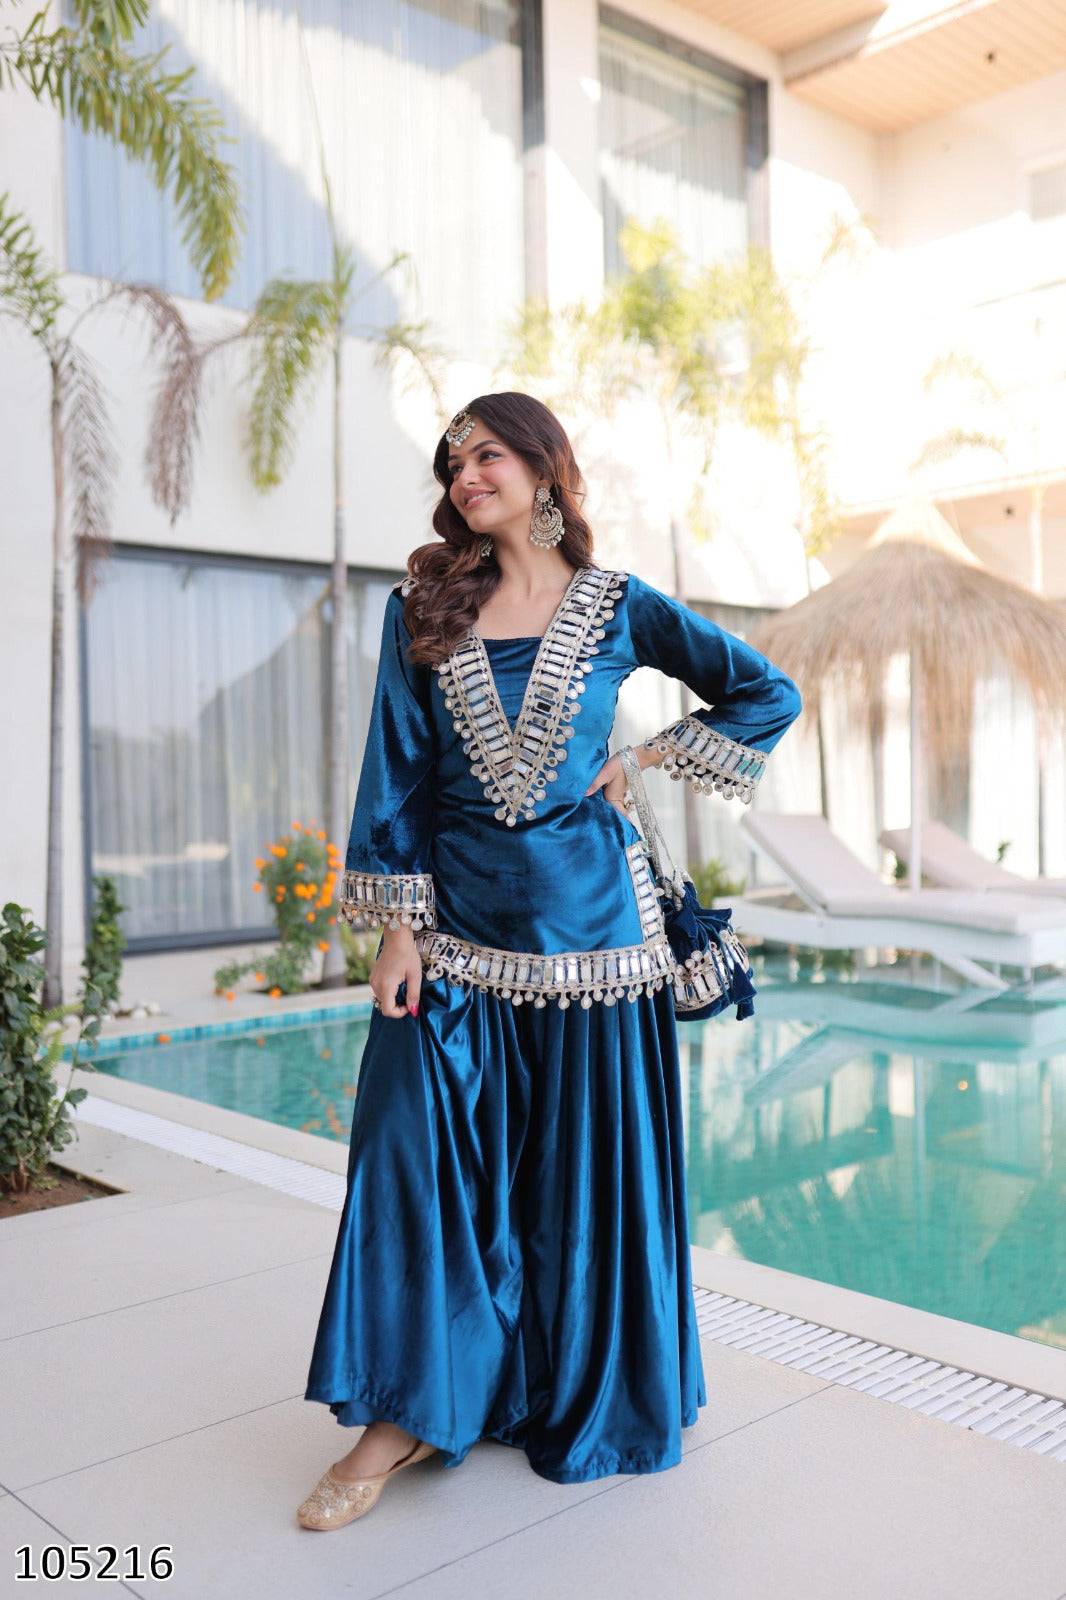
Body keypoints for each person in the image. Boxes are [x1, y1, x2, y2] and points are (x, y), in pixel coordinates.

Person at [297, 392, 801, 1529]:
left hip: (596, 948)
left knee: (578, 1194)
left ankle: (577, 1391)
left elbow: (765, 688)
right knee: (406, 1152)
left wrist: (654, 754)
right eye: (452, 458)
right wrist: (394, 923)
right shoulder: (422, 604)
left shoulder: (618, 605)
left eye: (487, 453)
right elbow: (399, 771)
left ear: (541, 469)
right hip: (456, 938)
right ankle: (407, 1408)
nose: (465, 471)